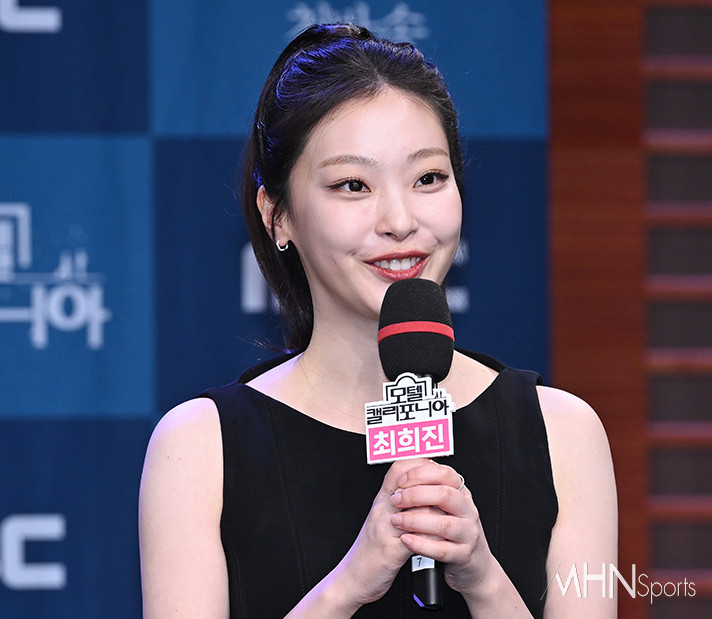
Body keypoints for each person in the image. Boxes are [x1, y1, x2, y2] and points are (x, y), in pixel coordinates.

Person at [139, 23, 617, 618]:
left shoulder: (563, 434)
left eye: (428, 178)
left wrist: (483, 578)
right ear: (277, 214)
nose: (399, 221)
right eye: (353, 185)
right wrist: (348, 585)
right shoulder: (199, 449)